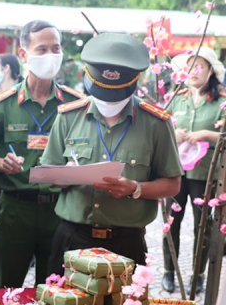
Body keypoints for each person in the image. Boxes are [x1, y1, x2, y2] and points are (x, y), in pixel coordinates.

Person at [42, 33, 183, 275]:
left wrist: (135, 188)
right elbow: (47, 173)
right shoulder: (68, 117)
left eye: (115, 95)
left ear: (134, 81)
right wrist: (65, 176)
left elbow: (172, 184)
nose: (108, 102)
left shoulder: (155, 124)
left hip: (126, 242)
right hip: (73, 238)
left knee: (124, 302)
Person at [0, 20, 84, 288]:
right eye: (42, 49)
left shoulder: (75, 104)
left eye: (56, 48)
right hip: (16, 210)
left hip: (59, 210)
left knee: (55, 292)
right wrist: (2, 163)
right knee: (8, 292)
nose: (50, 55)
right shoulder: (2, 104)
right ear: (23, 54)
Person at [161, 47, 226, 293]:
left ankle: (198, 274)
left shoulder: (222, 102)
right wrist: (173, 133)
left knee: (203, 226)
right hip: (175, 172)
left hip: (205, 174)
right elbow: (159, 129)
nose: (193, 71)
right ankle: (169, 271)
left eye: (199, 66)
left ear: (211, 70)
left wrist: (207, 134)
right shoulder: (176, 98)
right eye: (189, 66)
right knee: (171, 223)